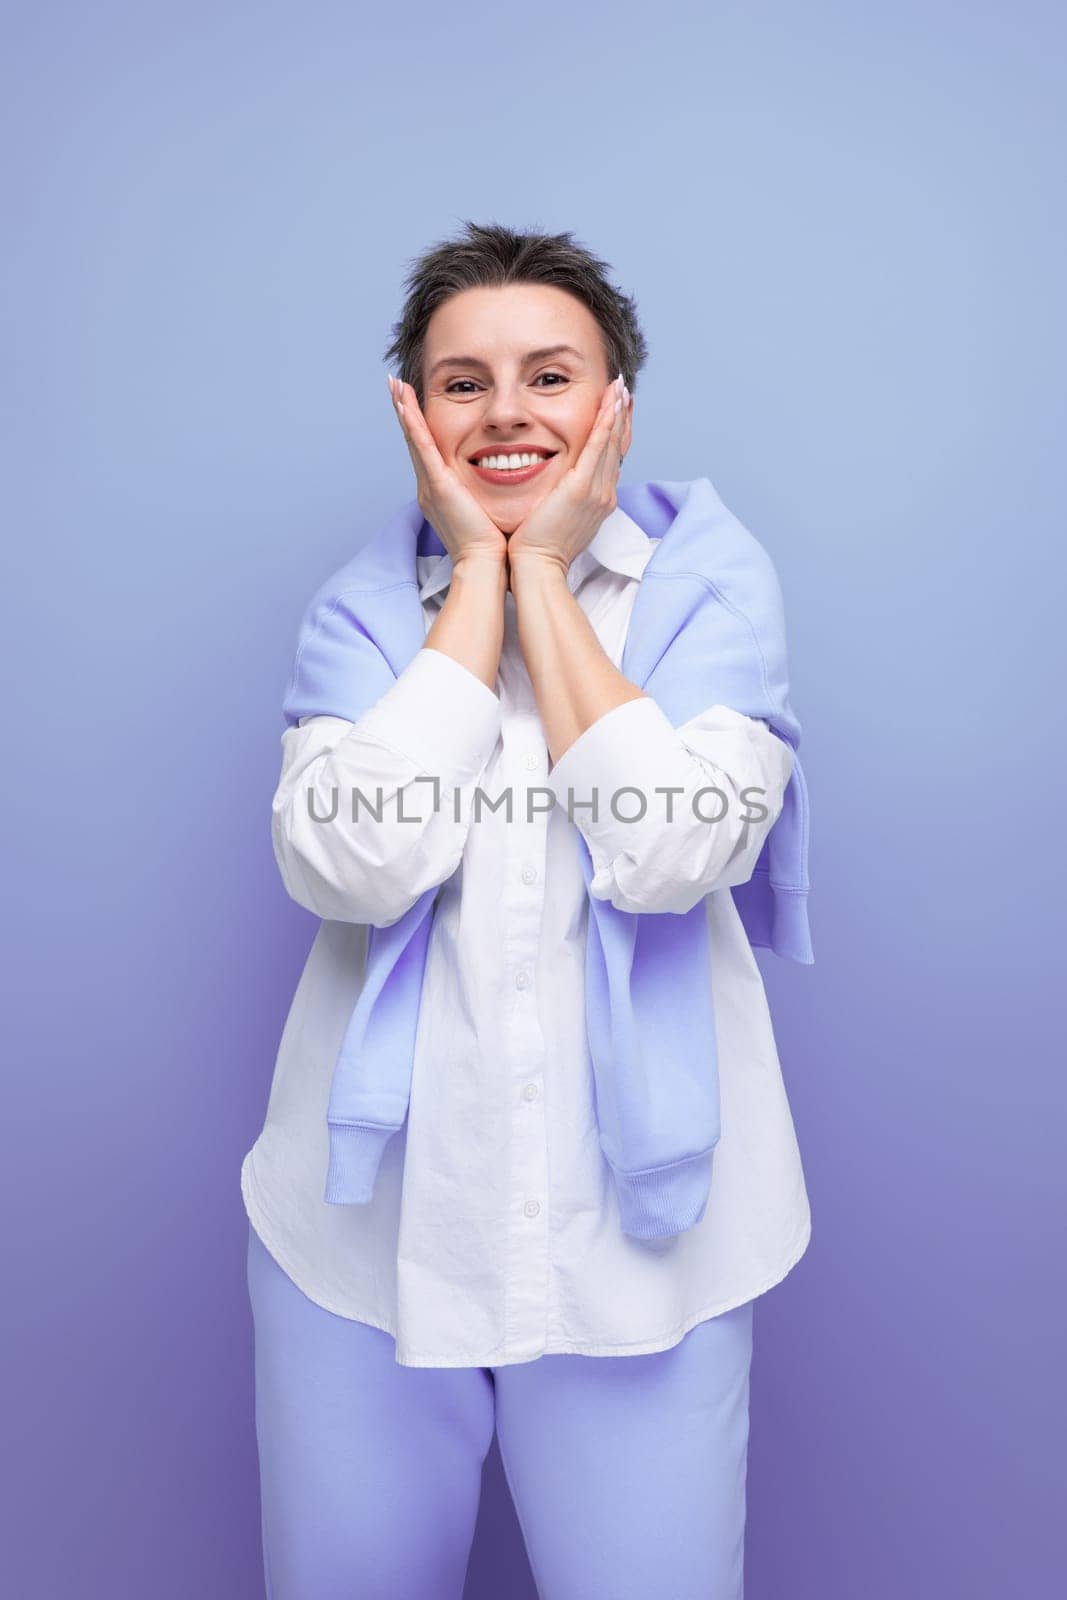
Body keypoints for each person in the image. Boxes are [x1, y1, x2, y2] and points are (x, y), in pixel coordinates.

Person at [241, 220, 813, 1600]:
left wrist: (543, 577)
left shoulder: (708, 594)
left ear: (616, 403)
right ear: (415, 415)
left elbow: (672, 850)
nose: (507, 413)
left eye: (550, 376)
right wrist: (474, 592)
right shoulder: (365, 614)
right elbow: (351, 867)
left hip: (645, 1252)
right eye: (463, 382)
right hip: (363, 1247)